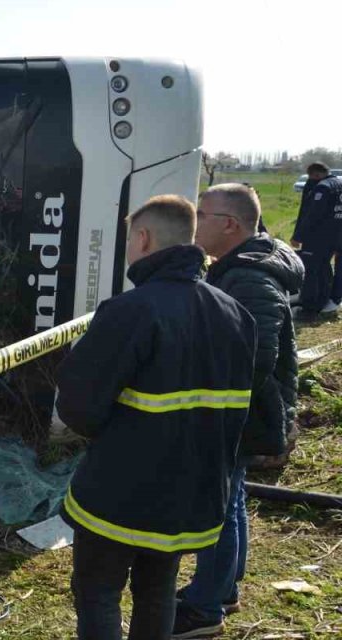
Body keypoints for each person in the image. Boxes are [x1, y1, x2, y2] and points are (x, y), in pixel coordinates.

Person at [56, 195, 256, 639]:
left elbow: (78, 406)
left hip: (120, 493)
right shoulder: (234, 313)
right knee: (157, 592)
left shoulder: (130, 311)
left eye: (131, 238)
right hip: (191, 493)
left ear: (143, 239)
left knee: (98, 592)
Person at [172, 184, 304, 638]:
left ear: (230, 224)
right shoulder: (239, 267)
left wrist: (211, 403)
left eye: (202, 214)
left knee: (219, 506)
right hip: (246, 409)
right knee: (232, 498)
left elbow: (254, 356)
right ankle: (222, 588)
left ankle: (204, 608)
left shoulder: (249, 276)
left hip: (242, 412)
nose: (195, 223)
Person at [290, 163, 342, 317]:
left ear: (316, 174)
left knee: (312, 270)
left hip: (318, 237)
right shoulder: (339, 183)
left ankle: (310, 306)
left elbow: (312, 216)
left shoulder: (323, 188)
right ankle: (325, 299)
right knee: (326, 268)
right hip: (336, 235)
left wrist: (298, 236)